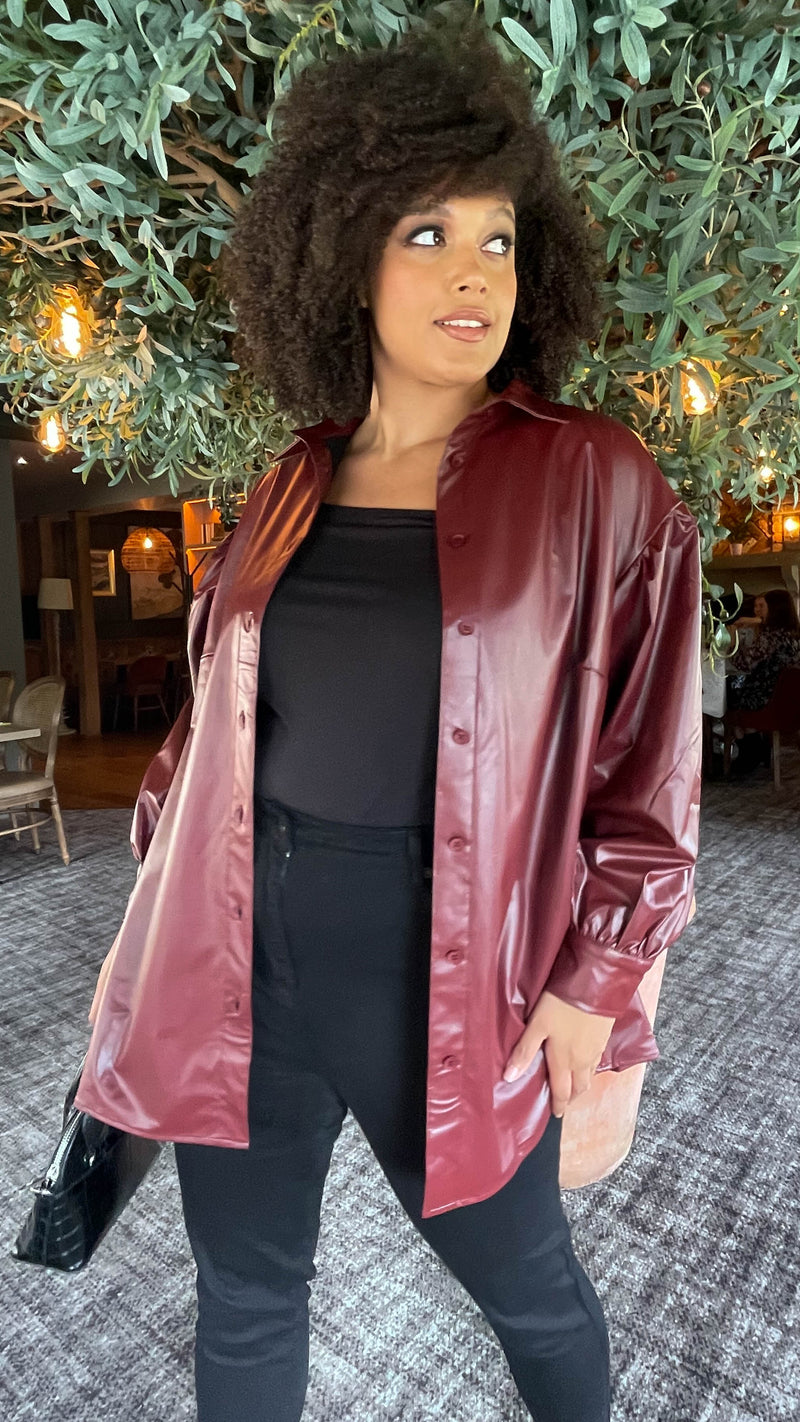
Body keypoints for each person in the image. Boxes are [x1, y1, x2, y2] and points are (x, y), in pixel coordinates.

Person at [74, 15, 702, 1422]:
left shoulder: (597, 480)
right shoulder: (286, 484)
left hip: (452, 960)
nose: (473, 272)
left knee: (530, 1288)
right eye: (428, 232)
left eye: (498, 238)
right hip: (242, 947)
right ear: (345, 253)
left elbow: (649, 779)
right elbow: (205, 728)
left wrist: (599, 979)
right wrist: (150, 921)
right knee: (244, 1293)